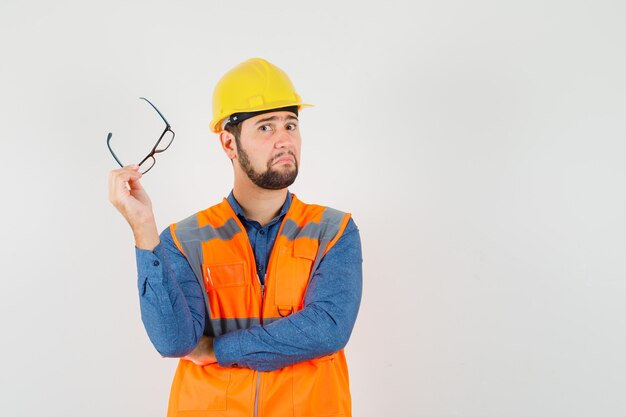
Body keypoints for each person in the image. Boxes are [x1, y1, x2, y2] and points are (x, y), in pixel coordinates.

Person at [108, 57, 363, 417]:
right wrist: (144, 228)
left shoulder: (333, 230)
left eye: (291, 125)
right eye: (265, 128)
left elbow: (327, 328)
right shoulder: (185, 240)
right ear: (229, 143)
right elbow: (174, 340)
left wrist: (217, 350)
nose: (284, 139)